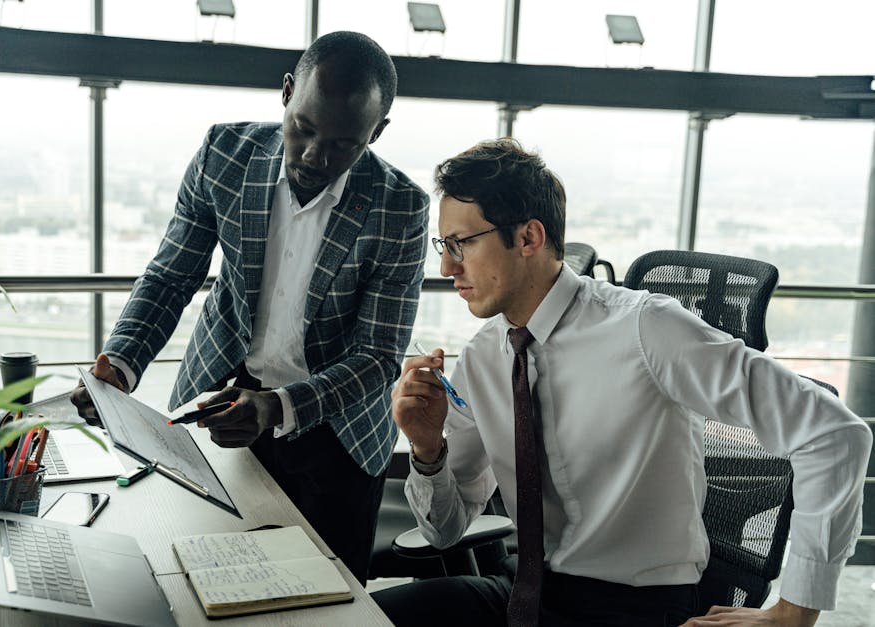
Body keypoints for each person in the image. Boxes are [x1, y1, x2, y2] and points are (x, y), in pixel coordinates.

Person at [372, 138, 871, 626]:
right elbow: (444, 533)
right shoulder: (485, 355)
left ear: (528, 238)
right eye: (444, 244)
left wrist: (794, 612)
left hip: (635, 607)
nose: (445, 266)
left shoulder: (645, 328)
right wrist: (426, 447)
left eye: (461, 243)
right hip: (528, 592)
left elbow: (835, 432)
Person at [70, 31, 429, 584]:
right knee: (196, 575)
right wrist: (119, 365)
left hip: (339, 432)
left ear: (376, 133)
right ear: (287, 92)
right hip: (219, 400)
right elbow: (171, 277)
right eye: (304, 128)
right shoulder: (225, 156)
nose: (314, 154)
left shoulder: (400, 208)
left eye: (342, 144)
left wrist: (278, 407)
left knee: (326, 602)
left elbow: (379, 357)